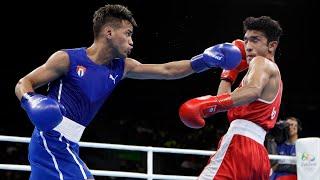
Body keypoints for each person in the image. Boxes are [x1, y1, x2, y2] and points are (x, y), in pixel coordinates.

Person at [14, 4, 242, 180]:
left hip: (69, 143)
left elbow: (166, 70)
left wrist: (202, 61)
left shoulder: (121, 67)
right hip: (51, 139)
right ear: (109, 32)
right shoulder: (67, 59)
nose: (132, 41)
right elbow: (24, 82)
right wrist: (31, 101)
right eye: (128, 33)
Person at [179, 16, 283, 179]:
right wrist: (229, 73)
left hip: (239, 145)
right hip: (258, 155)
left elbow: (252, 91)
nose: (248, 46)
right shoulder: (271, 74)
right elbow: (225, 100)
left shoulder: (261, 62)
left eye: (255, 40)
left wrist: (208, 104)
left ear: (271, 45)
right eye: (246, 40)